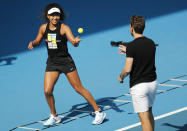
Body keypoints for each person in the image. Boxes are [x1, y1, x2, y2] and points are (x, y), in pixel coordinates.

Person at [28, 3, 106, 126]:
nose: (55, 17)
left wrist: (75, 42)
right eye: (52, 15)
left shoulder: (64, 28)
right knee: (47, 91)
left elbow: (73, 41)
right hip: (52, 62)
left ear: (60, 16)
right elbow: (38, 41)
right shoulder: (43, 28)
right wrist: (33, 43)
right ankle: (54, 116)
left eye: (57, 15)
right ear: (48, 16)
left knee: (78, 88)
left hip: (65, 62)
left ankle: (99, 111)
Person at [118, 15, 157, 131]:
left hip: (139, 87)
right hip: (152, 84)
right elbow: (142, 53)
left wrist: (121, 77)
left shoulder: (132, 47)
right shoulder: (151, 43)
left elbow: (127, 69)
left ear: (131, 28)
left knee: (143, 118)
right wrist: (129, 51)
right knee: (149, 113)